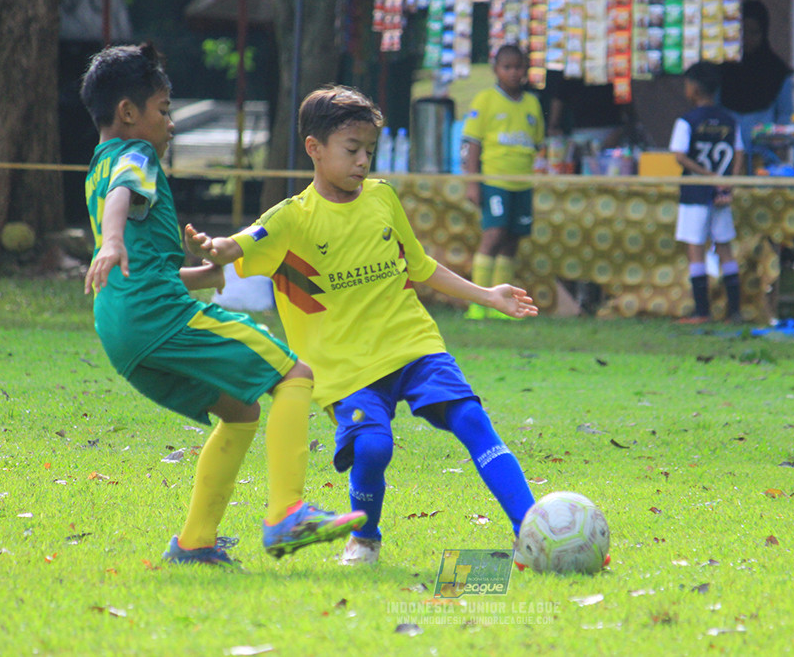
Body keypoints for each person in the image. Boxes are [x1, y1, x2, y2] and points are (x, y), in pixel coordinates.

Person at [184, 85, 540, 566]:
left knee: (472, 420)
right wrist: (213, 248)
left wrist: (487, 295)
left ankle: (532, 530)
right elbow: (237, 247)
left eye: (368, 151)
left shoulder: (382, 199)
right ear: (314, 149)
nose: (363, 162)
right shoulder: (291, 218)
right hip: (344, 369)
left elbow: (419, 265)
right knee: (373, 448)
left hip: (411, 343)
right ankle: (366, 538)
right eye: (352, 150)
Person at [79, 43, 365, 566]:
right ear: (127, 113)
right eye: (164, 111)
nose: (170, 125)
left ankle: (194, 544)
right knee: (295, 374)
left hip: (122, 331)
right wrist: (113, 240)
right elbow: (124, 196)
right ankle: (286, 515)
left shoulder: (95, 169)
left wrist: (202, 274)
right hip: (160, 320)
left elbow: (143, 270)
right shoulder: (134, 156)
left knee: (239, 410)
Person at [461, 44, 545, 320]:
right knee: (493, 235)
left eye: (518, 67)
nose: (513, 72)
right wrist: (472, 183)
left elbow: (538, 144)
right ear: (495, 69)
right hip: (495, 180)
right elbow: (471, 144)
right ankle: (478, 303)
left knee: (512, 239)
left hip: (523, 183)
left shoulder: (532, 103)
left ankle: (502, 307)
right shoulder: (485, 100)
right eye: (507, 67)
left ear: (526, 70)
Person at [669, 61, 745, 324]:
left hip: (695, 193)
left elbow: (679, 156)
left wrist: (705, 175)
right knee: (725, 247)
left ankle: (702, 312)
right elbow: (739, 154)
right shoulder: (730, 121)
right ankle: (735, 310)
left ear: (693, 88)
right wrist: (728, 183)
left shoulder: (687, 121)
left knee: (696, 249)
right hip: (721, 194)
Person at [719, 0, 793, 169]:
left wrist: (775, 141)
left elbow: (785, 118)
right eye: (743, 31)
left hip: (763, 161)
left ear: (764, 33)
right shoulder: (724, 70)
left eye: (754, 32)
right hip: (724, 161)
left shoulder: (777, 72)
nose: (747, 39)